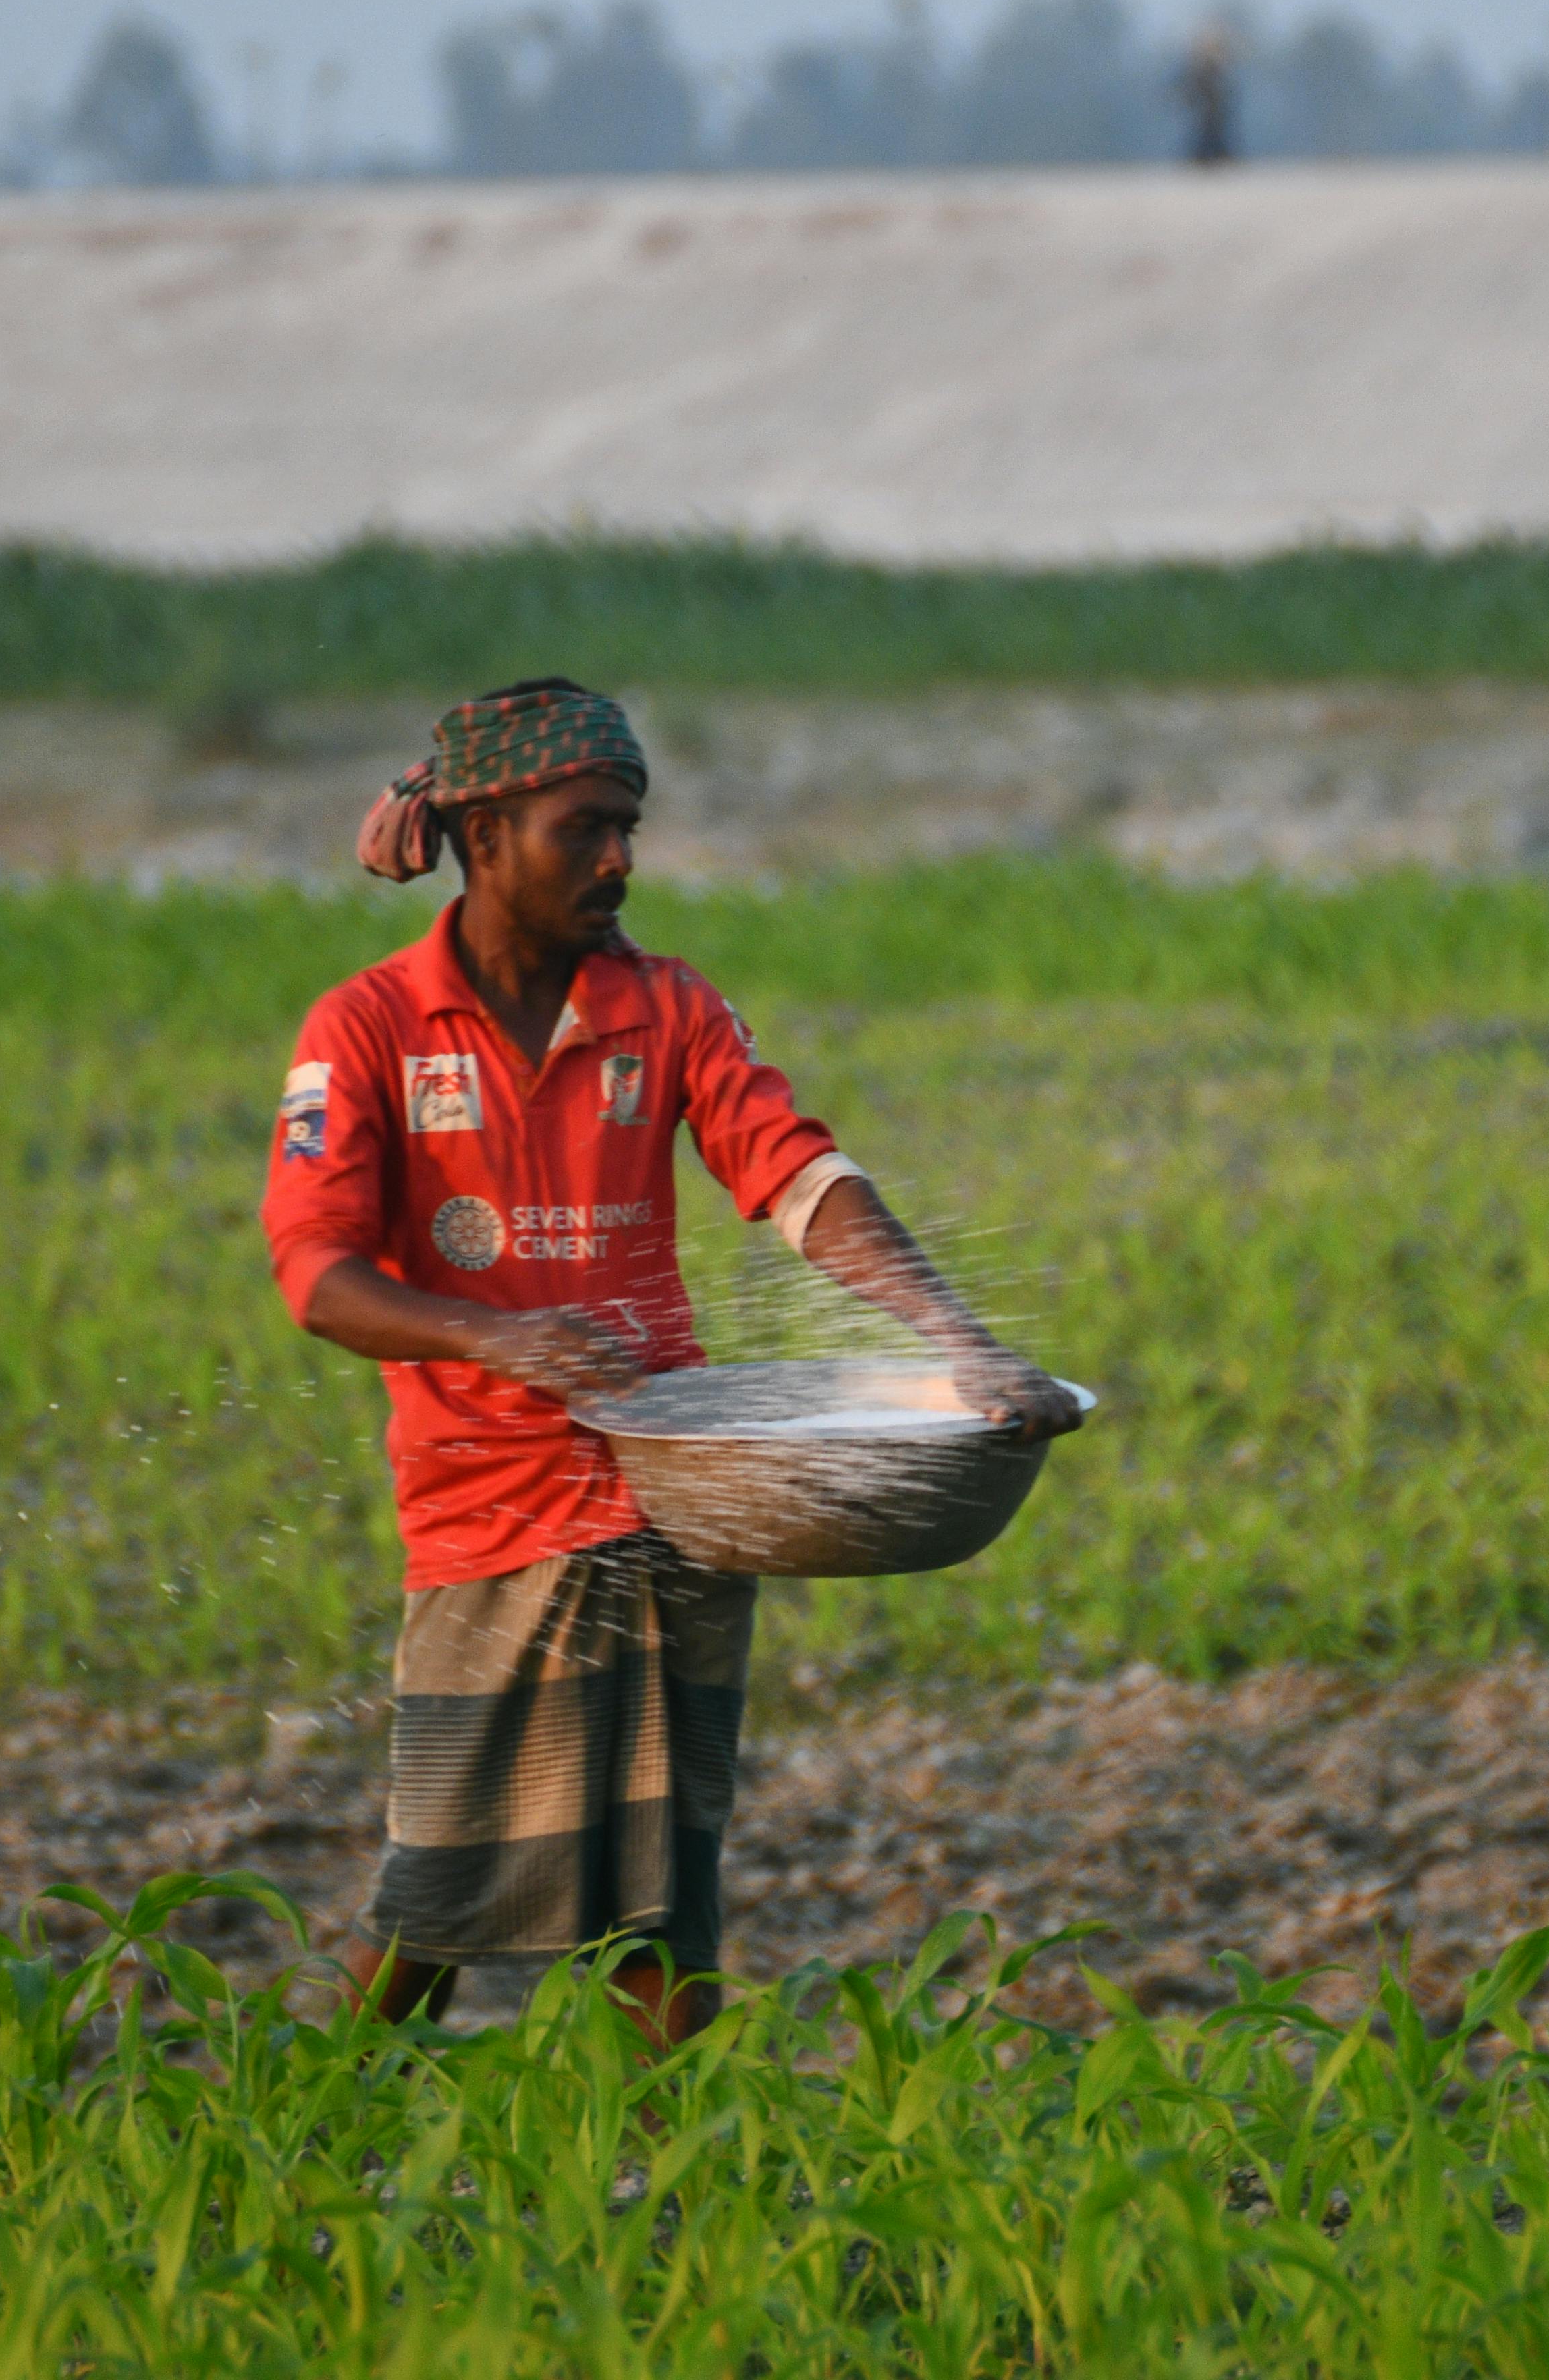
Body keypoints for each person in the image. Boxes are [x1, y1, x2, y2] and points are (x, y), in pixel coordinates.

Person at [269, 676, 1077, 2044]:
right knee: (439, 1899)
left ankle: (689, 2202)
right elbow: (320, 1276)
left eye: (630, 826)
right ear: (485, 830)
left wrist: (962, 1344)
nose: (621, 860)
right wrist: (498, 1335)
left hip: (675, 1505)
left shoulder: (667, 1006)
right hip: (490, 1514)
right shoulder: (370, 1029)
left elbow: (799, 1174)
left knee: (662, 1903)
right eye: (585, 827)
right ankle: (283, 2142)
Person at [1178, 26, 1237, 167]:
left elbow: (1224, 92)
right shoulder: (1202, 70)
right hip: (1207, 113)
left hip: (1214, 113)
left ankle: (1215, 157)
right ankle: (1207, 157)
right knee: (1207, 137)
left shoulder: (1216, 68)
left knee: (1213, 137)